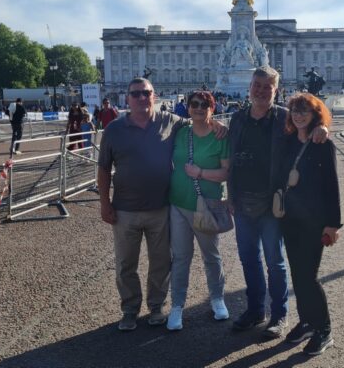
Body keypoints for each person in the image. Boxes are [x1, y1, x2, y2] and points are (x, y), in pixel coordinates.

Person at [97, 78, 226, 332]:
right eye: (136, 94)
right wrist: (104, 203)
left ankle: (156, 306)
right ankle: (130, 309)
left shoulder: (170, 121)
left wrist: (216, 122)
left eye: (146, 93)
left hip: (160, 207)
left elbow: (198, 121)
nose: (141, 98)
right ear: (127, 98)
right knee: (125, 264)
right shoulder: (114, 129)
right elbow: (103, 169)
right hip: (124, 208)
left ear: (154, 96)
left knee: (161, 263)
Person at [227, 66, 328, 338]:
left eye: (267, 87)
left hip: (272, 202)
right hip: (243, 201)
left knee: (274, 261)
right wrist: (231, 195)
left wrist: (322, 127)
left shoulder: (284, 117)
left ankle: (279, 315)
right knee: (249, 259)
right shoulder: (237, 118)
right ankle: (255, 310)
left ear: (276, 90)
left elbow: (309, 123)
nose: (261, 91)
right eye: (257, 85)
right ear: (250, 87)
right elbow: (231, 157)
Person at [278, 93, 341, 355]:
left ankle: (324, 329)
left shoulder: (323, 144)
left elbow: (332, 186)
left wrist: (333, 224)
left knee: (309, 277)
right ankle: (306, 322)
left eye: (304, 110)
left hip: (314, 221)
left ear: (315, 114)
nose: (299, 115)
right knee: (297, 274)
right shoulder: (289, 141)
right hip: (290, 218)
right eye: (295, 110)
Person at [166, 90, 230, 331]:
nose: (199, 108)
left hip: (207, 206)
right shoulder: (181, 132)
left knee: (211, 256)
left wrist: (201, 173)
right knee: (180, 257)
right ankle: (177, 305)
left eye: (205, 105)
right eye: (195, 104)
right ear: (188, 107)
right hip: (178, 202)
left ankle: (217, 298)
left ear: (212, 108)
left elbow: (226, 173)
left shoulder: (220, 135)